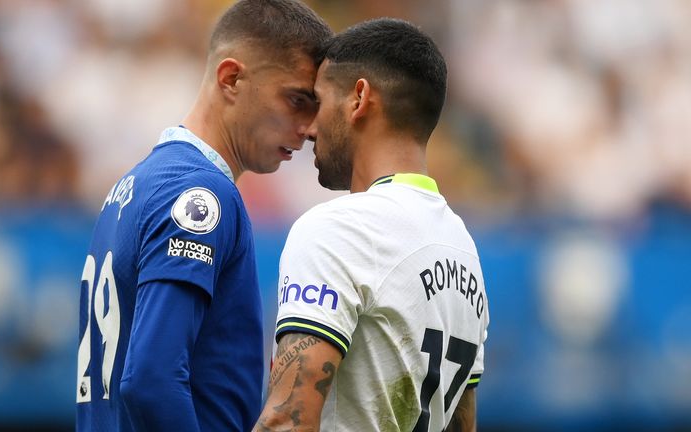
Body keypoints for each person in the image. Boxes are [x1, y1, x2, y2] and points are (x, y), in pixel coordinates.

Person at [75, 1, 331, 431]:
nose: (308, 128)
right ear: (231, 78)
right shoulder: (200, 194)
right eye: (297, 100)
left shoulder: (140, 182)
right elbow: (151, 381)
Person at [255, 18, 490, 432]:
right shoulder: (462, 248)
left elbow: (286, 423)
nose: (308, 128)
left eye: (319, 102)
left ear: (359, 98)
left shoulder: (338, 229)